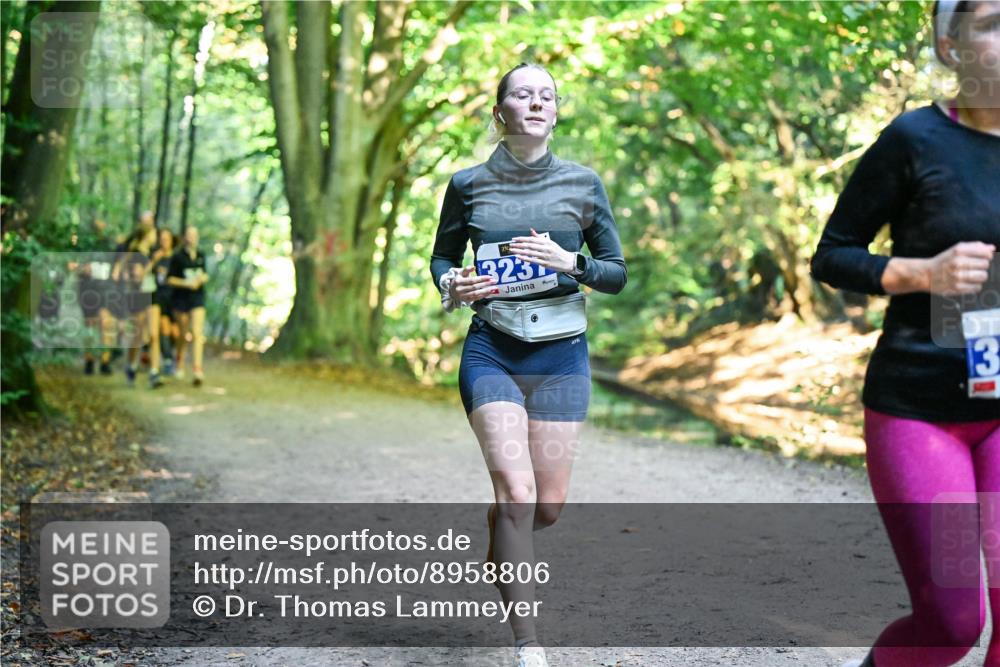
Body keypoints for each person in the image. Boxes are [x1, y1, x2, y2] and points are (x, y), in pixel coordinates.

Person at [812, 3, 1000, 666]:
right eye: (991, 21)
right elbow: (832, 254)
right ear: (951, 46)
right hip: (923, 411)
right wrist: (923, 272)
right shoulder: (915, 139)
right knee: (952, 623)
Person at [430, 62, 627, 667]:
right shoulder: (467, 184)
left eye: (547, 95)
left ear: (556, 111)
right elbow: (441, 258)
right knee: (518, 491)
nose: (536, 102)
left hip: (563, 354)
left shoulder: (583, 183)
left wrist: (570, 263)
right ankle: (528, 645)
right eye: (522, 94)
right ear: (501, 112)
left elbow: (615, 273)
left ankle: (503, 527)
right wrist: (453, 285)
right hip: (492, 347)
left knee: (546, 506)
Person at [168, 225, 208, 387]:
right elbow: (170, 279)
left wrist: (201, 280)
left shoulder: (201, 255)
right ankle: (179, 360)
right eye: (189, 235)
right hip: (181, 299)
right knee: (183, 334)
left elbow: (205, 274)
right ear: (185, 237)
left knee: (197, 333)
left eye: (194, 234)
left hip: (197, 298)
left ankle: (197, 369)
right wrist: (186, 283)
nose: (192, 238)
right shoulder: (177, 257)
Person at [152, 227, 178, 377]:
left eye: (167, 239)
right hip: (158, 297)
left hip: (174, 299)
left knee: (176, 333)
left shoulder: (176, 257)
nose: (164, 242)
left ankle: (171, 357)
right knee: (163, 328)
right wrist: (154, 260)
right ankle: (167, 360)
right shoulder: (155, 256)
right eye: (161, 239)